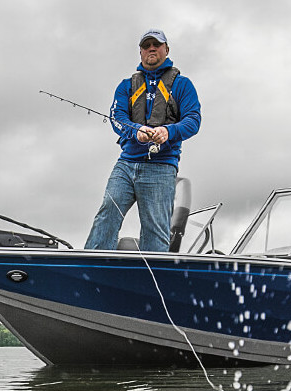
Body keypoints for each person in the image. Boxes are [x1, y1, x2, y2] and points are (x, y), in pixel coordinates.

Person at [84, 28, 202, 252]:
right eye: (146, 46)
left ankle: (154, 277)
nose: (151, 49)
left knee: (156, 229)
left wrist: (168, 132)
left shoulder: (183, 85)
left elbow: (193, 120)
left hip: (162, 166)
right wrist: (135, 130)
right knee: (108, 210)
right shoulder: (126, 86)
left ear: (166, 49)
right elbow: (116, 118)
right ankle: (92, 263)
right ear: (140, 52)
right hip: (126, 164)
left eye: (156, 45)